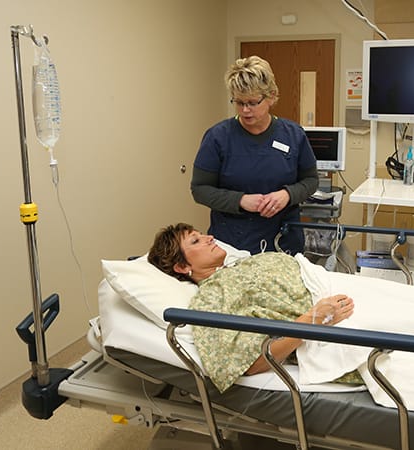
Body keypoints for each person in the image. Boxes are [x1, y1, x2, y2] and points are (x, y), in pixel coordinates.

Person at [148, 222, 357, 392]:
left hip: (344, 292)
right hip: (339, 321)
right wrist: (313, 320)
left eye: (202, 234)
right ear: (183, 267)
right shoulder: (211, 298)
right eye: (196, 240)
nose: (209, 237)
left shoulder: (242, 264)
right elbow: (251, 363)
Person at [190, 55, 319, 255]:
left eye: (252, 102)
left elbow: (310, 181)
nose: (245, 110)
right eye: (239, 102)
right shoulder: (218, 137)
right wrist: (240, 200)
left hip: (282, 240)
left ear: (272, 96)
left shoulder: (293, 135)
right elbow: (200, 189)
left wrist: (287, 195)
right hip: (233, 240)